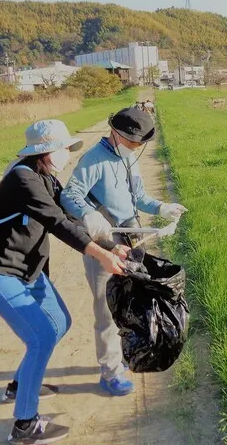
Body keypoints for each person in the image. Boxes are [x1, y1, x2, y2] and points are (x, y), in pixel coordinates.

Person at [0, 119, 129, 444]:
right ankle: (24, 426)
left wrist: (111, 246)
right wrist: (100, 256)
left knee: (60, 322)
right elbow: (57, 223)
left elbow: (70, 216)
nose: (67, 154)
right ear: (43, 151)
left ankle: (18, 384)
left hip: (28, 268)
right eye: (62, 149)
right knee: (41, 337)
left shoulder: (48, 179)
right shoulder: (22, 178)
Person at [60, 107, 187, 396]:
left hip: (131, 238)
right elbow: (70, 196)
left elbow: (139, 197)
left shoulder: (130, 158)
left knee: (131, 302)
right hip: (104, 241)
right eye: (133, 142)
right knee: (106, 309)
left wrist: (162, 208)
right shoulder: (93, 159)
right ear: (116, 134)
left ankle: (125, 355)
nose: (137, 147)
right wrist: (90, 216)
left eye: (141, 143)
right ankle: (110, 372)